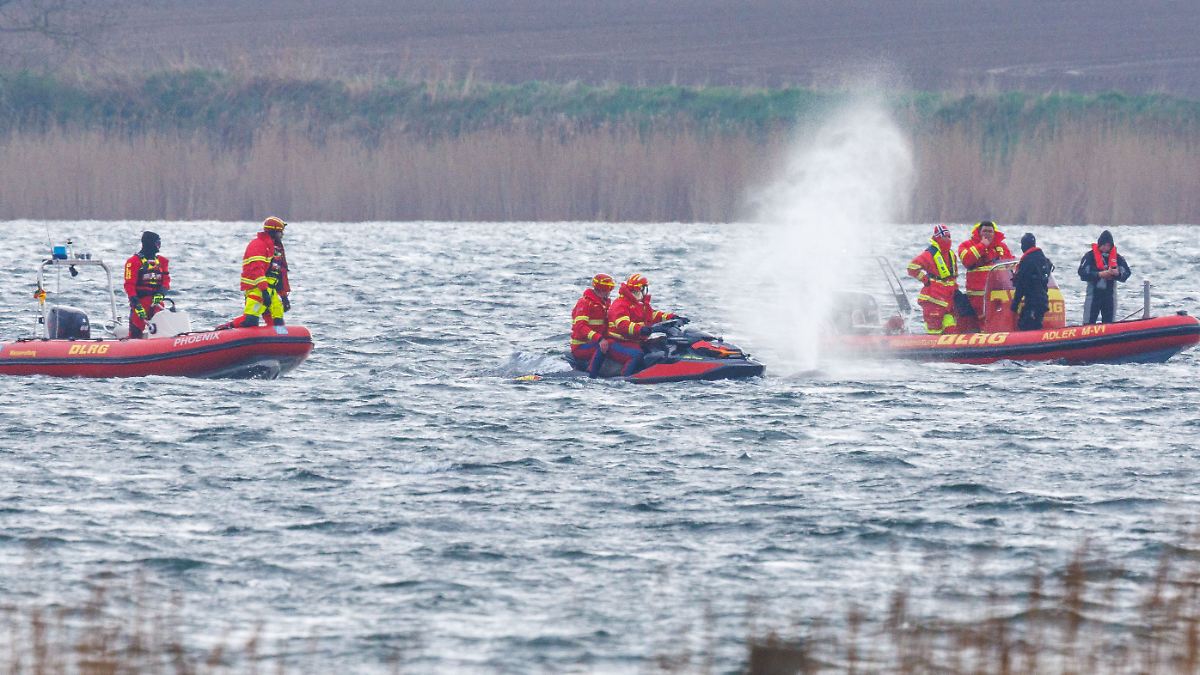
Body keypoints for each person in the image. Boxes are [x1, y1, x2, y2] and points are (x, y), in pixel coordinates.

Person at [218, 217, 291, 329]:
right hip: (257, 289)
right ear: (273, 232)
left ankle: (274, 344)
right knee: (250, 321)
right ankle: (226, 327)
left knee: (278, 325)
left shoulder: (277, 249)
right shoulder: (258, 245)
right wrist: (264, 291)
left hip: (272, 292)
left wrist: (284, 297)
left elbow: (280, 275)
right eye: (280, 232)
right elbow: (257, 269)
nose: (282, 235)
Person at [605, 274, 683, 376]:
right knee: (637, 355)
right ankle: (626, 377)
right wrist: (642, 329)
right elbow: (623, 325)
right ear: (640, 289)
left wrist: (672, 317)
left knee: (660, 344)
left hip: (635, 341)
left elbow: (653, 315)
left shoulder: (640, 304)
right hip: (619, 342)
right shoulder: (621, 304)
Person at [957, 220, 1015, 325]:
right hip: (978, 294)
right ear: (979, 232)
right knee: (984, 319)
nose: (987, 233)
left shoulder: (1001, 247)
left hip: (1000, 291)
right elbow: (966, 260)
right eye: (985, 231)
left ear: (994, 233)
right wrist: (982, 245)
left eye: (990, 231)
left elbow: (1011, 263)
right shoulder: (966, 245)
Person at [907, 224, 960, 334]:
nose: (947, 239)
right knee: (934, 330)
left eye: (948, 236)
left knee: (951, 327)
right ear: (937, 238)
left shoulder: (951, 255)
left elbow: (953, 277)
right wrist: (925, 279)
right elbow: (912, 268)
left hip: (948, 299)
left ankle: (951, 349)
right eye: (944, 237)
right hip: (933, 298)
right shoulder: (929, 254)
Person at [1077, 229, 1131, 324]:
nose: (1106, 248)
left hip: (1109, 296)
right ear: (1100, 244)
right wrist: (1099, 274)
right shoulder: (1089, 256)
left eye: (1108, 245)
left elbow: (1127, 273)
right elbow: (1082, 273)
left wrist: (1117, 274)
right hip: (1093, 295)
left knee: (1110, 323)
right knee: (1088, 322)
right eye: (1104, 245)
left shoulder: (1118, 258)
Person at [123, 231, 170, 338]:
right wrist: (136, 304)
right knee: (135, 332)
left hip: (157, 303)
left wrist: (161, 294)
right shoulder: (133, 262)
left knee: (164, 329)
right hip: (141, 303)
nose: (159, 245)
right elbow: (129, 285)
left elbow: (166, 281)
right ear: (150, 243)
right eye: (157, 242)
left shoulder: (162, 262)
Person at [570, 273, 615, 377]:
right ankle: (591, 375)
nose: (610, 292)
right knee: (604, 346)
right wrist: (599, 339)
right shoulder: (585, 303)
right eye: (608, 289)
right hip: (581, 346)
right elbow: (580, 327)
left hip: (595, 342)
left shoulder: (605, 303)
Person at [1010, 233, 1053, 331]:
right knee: (1037, 324)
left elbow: (1021, 284)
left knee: (1025, 325)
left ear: (1024, 245)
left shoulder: (1027, 261)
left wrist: (1015, 304)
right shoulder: (1043, 259)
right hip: (1042, 300)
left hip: (1033, 301)